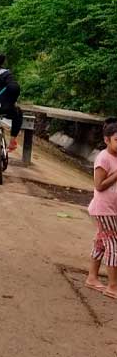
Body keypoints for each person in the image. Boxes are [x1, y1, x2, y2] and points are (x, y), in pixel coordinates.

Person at [85, 118, 117, 298]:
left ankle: (92, 277)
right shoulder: (104, 158)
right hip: (104, 209)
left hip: (113, 209)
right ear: (107, 140)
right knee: (113, 245)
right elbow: (99, 185)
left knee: (101, 242)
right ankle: (113, 286)